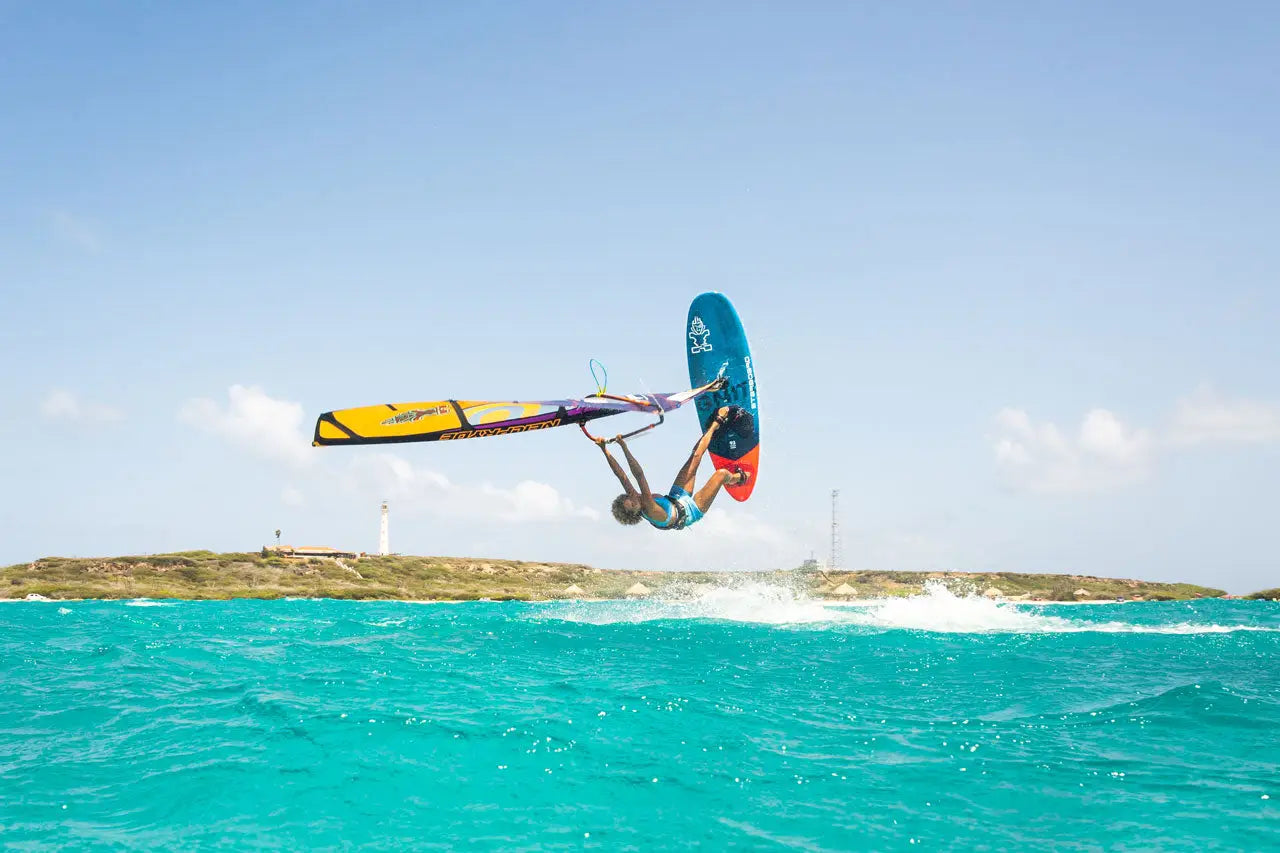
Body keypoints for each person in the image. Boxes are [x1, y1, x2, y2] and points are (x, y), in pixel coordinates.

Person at [592, 406, 752, 530]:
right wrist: (624, 447)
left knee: (695, 457)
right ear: (636, 513)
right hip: (691, 511)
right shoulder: (648, 507)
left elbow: (621, 475)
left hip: (676, 498)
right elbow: (639, 475)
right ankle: (739, 478)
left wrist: (604, 449)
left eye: (630, 499)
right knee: (721, 474)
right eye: (634, 504)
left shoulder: (636, 498)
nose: (635, 499)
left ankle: (715, 427)